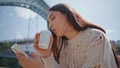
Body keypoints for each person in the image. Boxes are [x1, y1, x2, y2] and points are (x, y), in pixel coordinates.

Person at [16, 3, 118, 68]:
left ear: (67, 14)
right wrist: (47, 56)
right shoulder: (63, 48)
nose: (50, 25)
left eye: (53, 18)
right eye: (48, 22)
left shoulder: (96, 37)